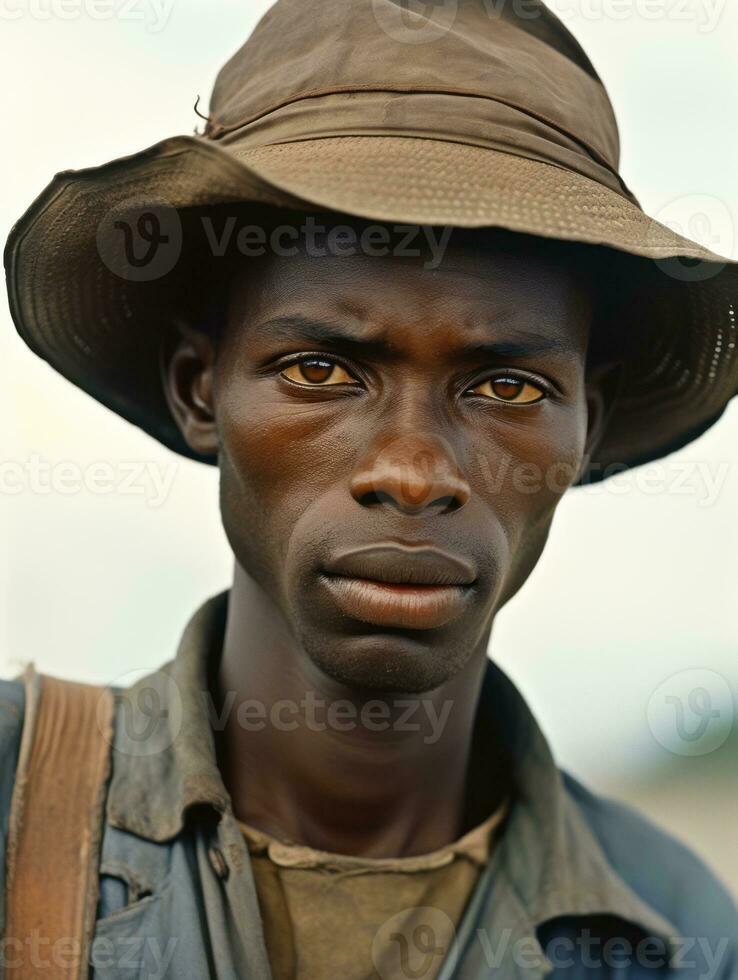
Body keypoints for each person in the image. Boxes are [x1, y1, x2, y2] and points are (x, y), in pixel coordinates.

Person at [2, 1, 737, 978]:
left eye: (507, 386)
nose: (411, 470)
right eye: (320, 370)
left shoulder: (674, 930)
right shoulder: (16, 802)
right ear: (199, 388)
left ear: (586, 427)